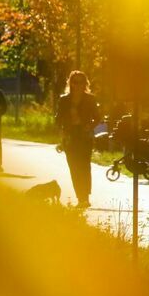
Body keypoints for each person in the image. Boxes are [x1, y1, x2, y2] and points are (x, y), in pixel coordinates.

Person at [55, 71, 100, 208]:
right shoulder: (64, 100)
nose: (78, 85)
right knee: (74, 167)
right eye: (75, 82)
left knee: (84, 166)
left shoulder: (90, 99)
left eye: (81, 82)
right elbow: (58, 118)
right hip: (70, 136)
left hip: (85, 136)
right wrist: (62, 133)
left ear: (85, 84)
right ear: (70, 83)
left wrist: (89, 126)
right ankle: (80, 197)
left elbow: (98, 117)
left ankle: (85, 197)